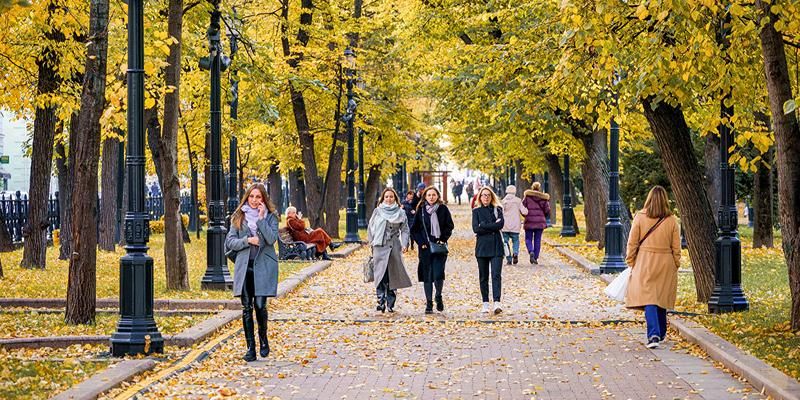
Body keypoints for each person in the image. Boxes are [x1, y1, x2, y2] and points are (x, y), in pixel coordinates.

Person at [225, 183, 279, 361]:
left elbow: (271, 239)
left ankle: (263, 339)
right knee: (246, 308)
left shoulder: (271, 217)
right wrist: (248, 240)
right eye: (252, 196)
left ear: (263, 199)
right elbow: (230, 242)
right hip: (245, 266)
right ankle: (250, 348)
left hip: (263, 267)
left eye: (258, 197)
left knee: (260, 306)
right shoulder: (238, 216)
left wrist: (262, 219)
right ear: (247, 197)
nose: (254, 200)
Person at [625, 185, 680, 349]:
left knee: (650, 298)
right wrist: (676, 263)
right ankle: (661, 332)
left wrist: (631, 260)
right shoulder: (671, 220)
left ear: (649, 199)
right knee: (660, 297)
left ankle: (654, 334)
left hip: (645, 261)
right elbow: (676, 247)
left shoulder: (640, 217)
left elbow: (632, 241)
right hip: (666, 262)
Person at [367, 188, 413, 312]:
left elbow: (405, 229)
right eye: (386, 197)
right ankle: (380, 300)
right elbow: (371, 228)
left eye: (391, 197)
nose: (389, 199)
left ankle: (390, 303)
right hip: (379, 245)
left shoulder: (400, 212)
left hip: (394, 247)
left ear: (395, 199)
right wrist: (371, 242)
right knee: (380, 274)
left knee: (392, 274)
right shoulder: (377, 211)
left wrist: (404, 244)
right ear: (383, 198)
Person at [411, 186, 454, 314]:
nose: (431, 197)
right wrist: (421, 242)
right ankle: (429, 303)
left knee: (438, 274)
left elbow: (449, 225)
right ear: (425, 197)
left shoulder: (443, 209)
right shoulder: (421, 210)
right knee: (427, 276)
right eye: (429, 195)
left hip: (439, 247)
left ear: (437, 196)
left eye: (433, 195)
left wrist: (443, 238)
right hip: (425, 248)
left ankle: (438, 296)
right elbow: (414, 229)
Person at [472, 187, 505, 314]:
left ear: (492, 197)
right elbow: (476, 228)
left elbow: (500, 225)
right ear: (479, 197)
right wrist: (492, 226)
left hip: (496, 246)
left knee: (496, 275)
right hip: (482, 248)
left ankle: (497, 302)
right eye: (483, 195)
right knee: (483, 276)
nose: (486, 197)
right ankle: (485, 302)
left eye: (488, 195)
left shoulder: (498, 210)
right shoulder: (476, 212)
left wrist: (484, 225)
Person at [522, 182, 550, 265]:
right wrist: (543, 216)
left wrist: (525, 215)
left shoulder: (527, 197)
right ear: (539, 188)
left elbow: (522, 208)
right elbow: (547, 210)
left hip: (529, 220)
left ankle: (531, 251)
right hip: (540, 222)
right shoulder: (544, 198)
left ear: (532, 187)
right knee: (537, 239)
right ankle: (535, 257)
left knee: (528, 238)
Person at [501, 185, 527, 265]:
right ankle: (515, 253)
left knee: (505, 242)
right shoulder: (518, 201)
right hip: (515, 225)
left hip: (505, 225)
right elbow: (524, 212)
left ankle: (508, 258)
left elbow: (500, 212)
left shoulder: (503, 201)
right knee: (515, 240)